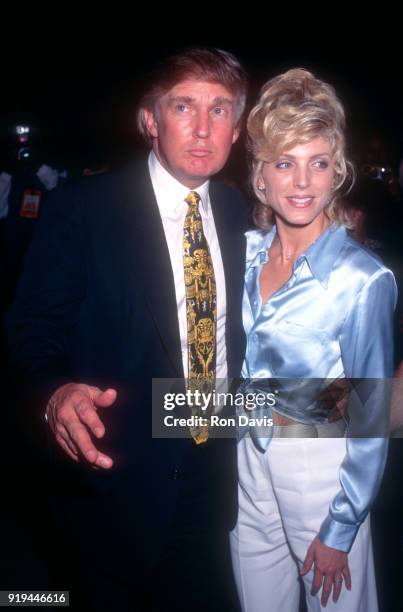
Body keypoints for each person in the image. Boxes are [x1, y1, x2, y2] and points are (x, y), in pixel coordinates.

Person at [5, 47, 248, 612]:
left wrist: (362, 409)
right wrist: (55, 392)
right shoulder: (83, 208)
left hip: (222, 476)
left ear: (237, 129)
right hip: (116, 482)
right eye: (183, 106)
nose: (202, 127)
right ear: (150, 120)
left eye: (219, 110)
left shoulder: (242, 212)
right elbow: (32, 325)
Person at [229, 69, 397, 612]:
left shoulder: (362, 279)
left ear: (336, 172)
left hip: (322, 472)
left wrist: (342, 526)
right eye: (285, 163)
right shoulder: (244, 256)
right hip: (247, 470)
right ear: (261, 175)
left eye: (318, 163)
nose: (302, 183)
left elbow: (369, 416)